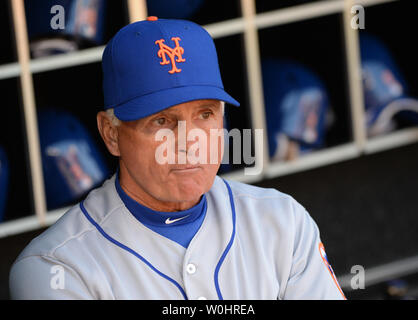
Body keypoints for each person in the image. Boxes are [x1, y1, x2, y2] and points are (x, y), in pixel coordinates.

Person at [9, 17, 345, 300]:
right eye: (161, 121)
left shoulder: (283, 223)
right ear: (111, 133)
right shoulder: (56, 268)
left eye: (205, 114)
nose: (190, 142)